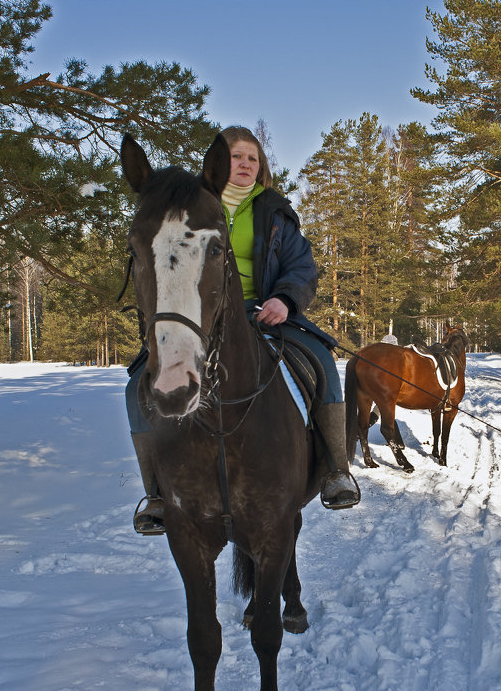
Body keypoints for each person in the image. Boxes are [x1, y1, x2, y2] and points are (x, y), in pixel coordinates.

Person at [127, 126, 360, 535]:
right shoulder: (192, 206)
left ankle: (335, 470)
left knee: (322, 362)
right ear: (220, 163)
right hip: (205, 317)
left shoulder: (275, 212)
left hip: (268, 312)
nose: (245, 164)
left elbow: (302, 268)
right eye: (237, 157)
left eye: (253, 158)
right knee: (136, 387)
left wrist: (284, 301)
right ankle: (157, 494)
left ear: (261, 166)